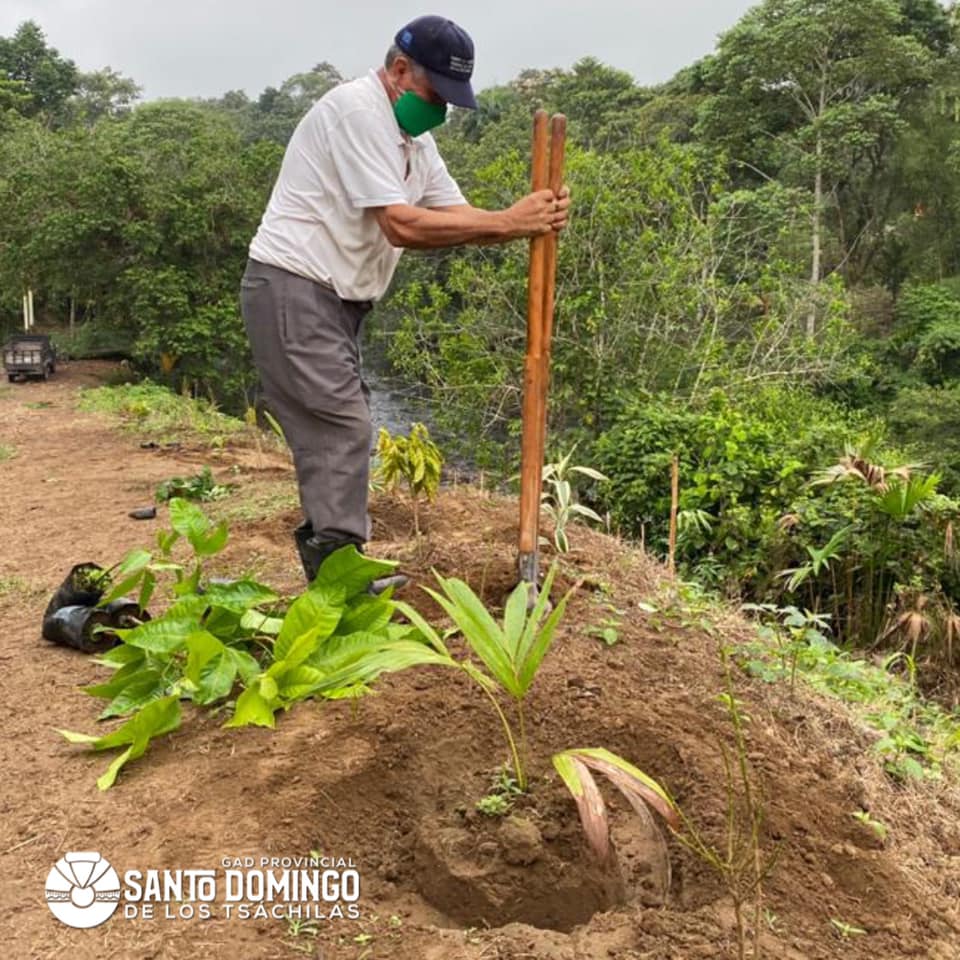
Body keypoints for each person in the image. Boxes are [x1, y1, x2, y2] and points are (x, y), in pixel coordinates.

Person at [241, 14, 570, 588]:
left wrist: (527, 217)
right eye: (434, 94)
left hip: (334, 300)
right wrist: (510, 222)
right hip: (294, 287)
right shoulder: (358, 113)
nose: (440, 109)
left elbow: (456, 214)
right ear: (398, 70)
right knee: (341, 426)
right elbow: (401, 224)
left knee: (337, 425)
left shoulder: (414, 140)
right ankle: (341, 581)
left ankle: (337, 575)